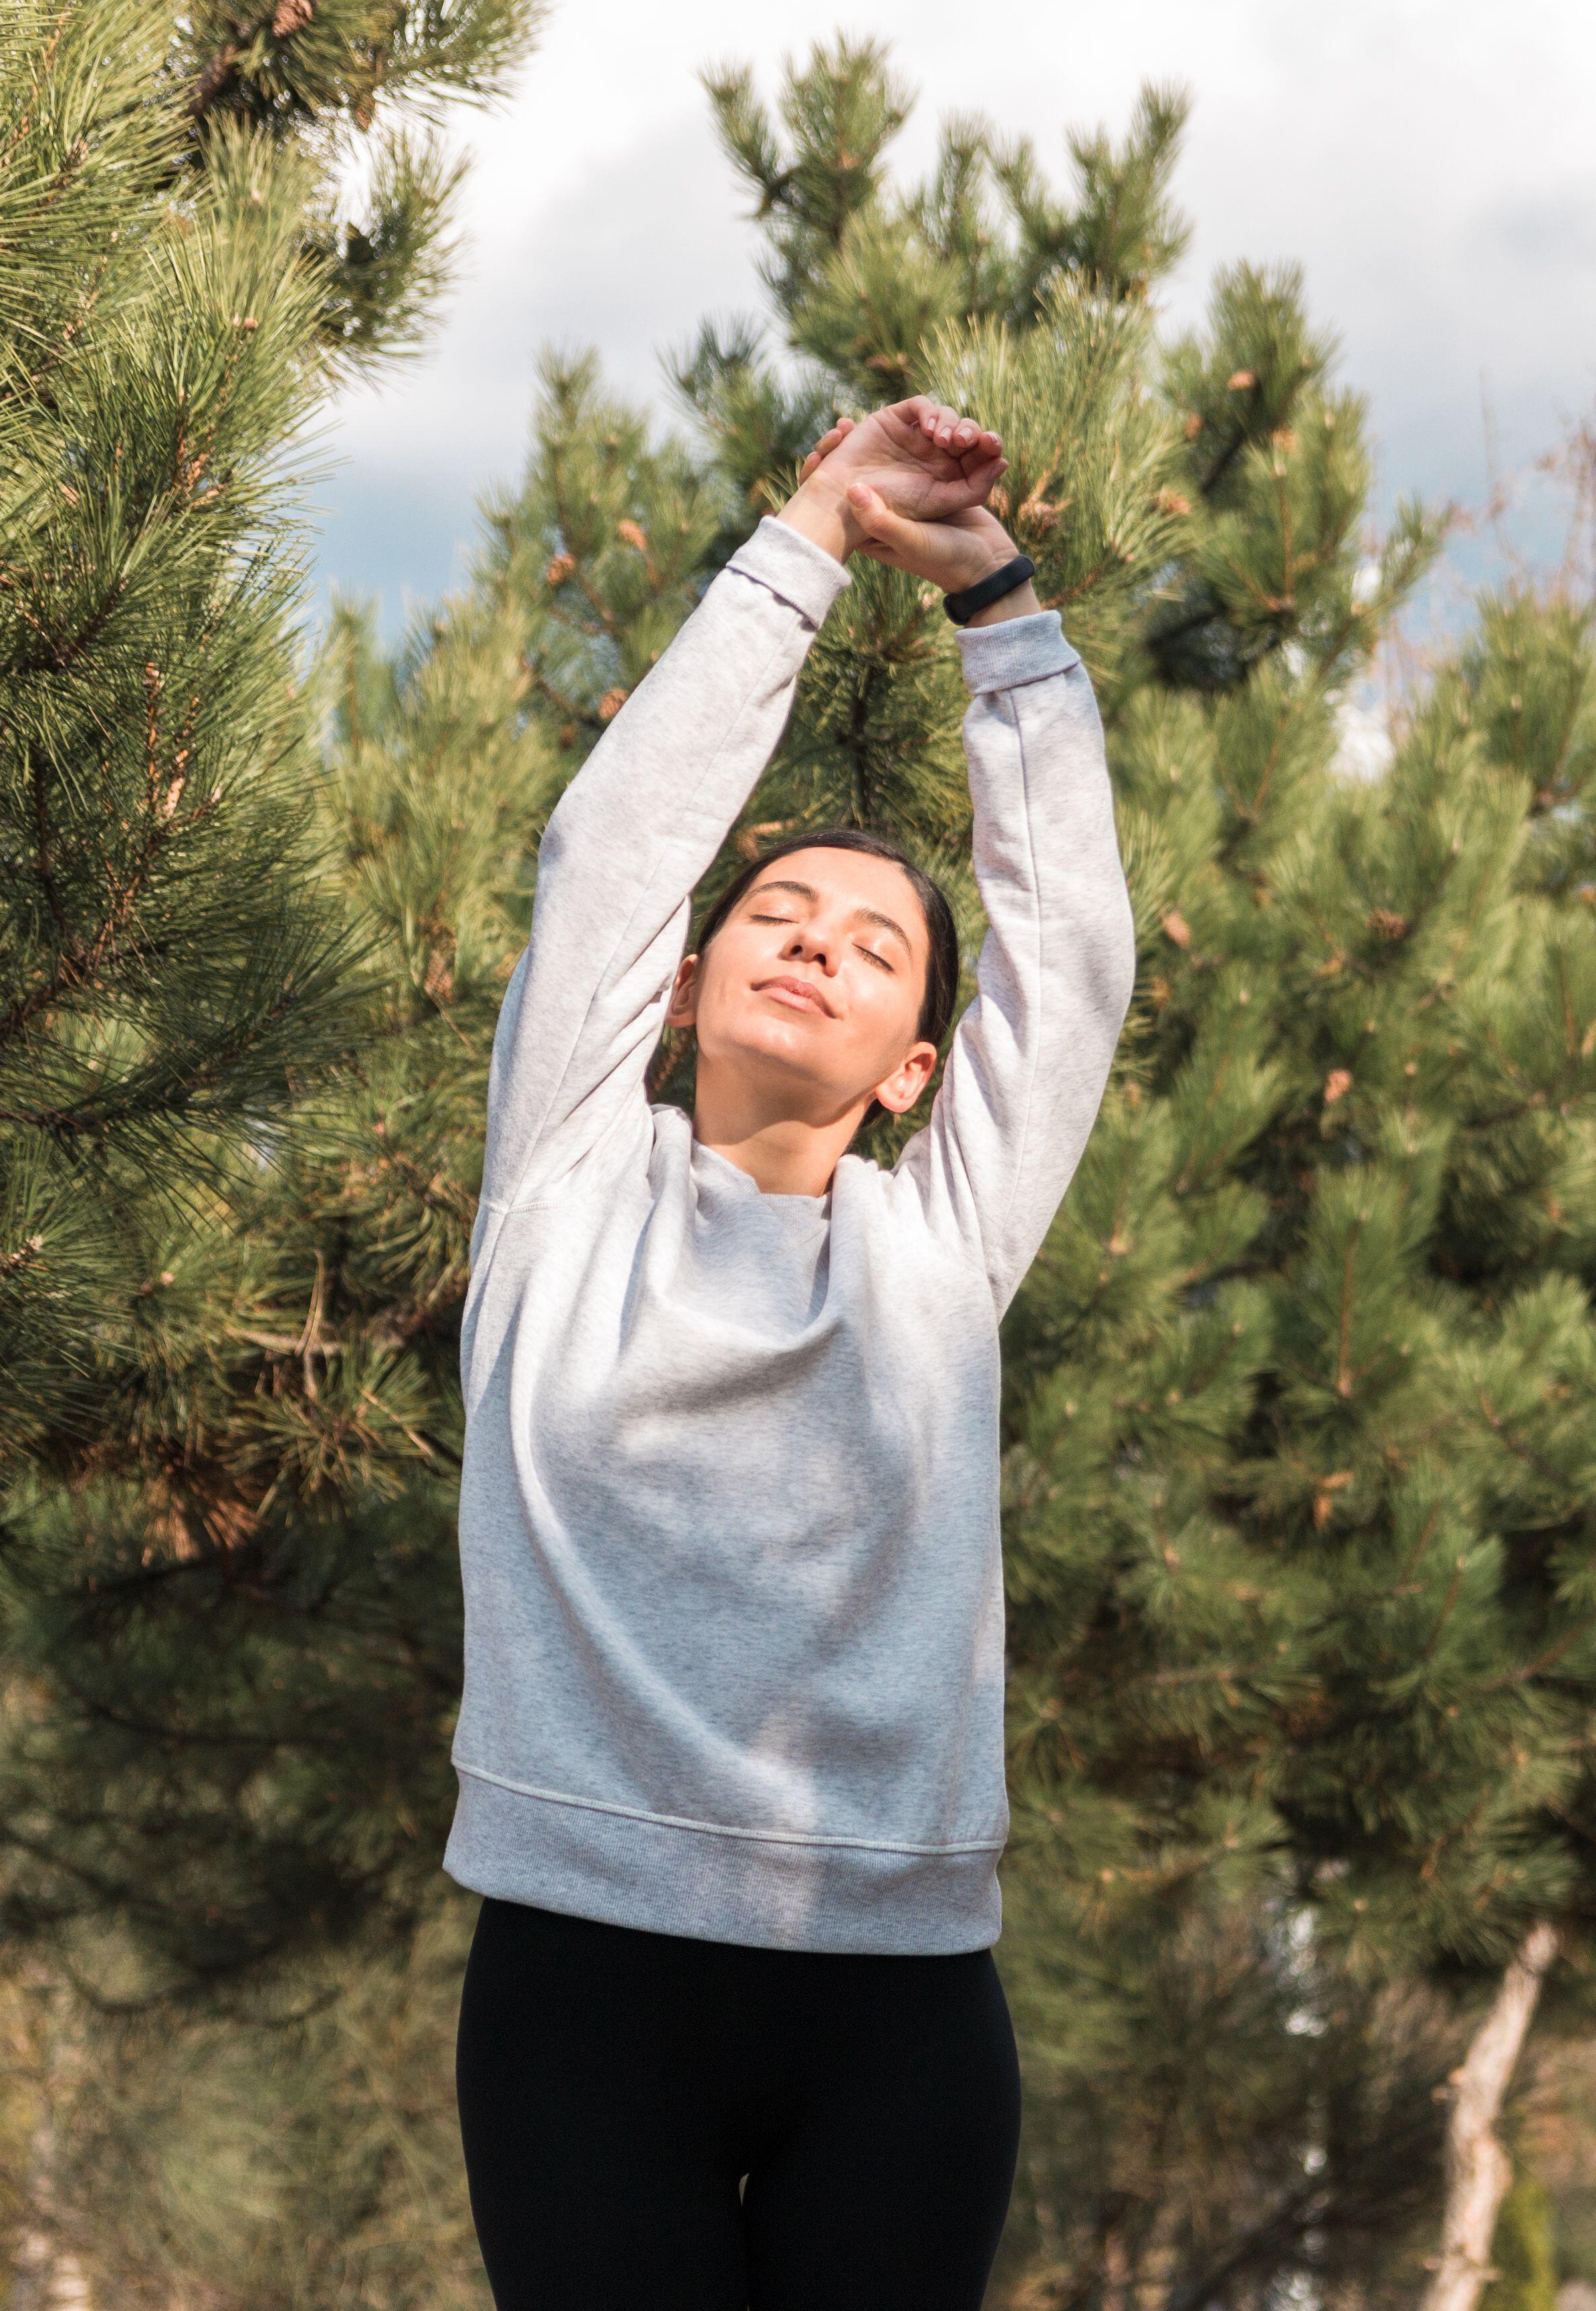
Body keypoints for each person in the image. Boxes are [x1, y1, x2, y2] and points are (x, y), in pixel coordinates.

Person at [445, 395, 1139, 2308]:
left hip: (900, 2008)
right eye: (776, 912)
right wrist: (815, 535)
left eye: (875, 945)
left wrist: (998, 605)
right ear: (684, 984)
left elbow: (1069, 954)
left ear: (921, 1062)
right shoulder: (566, 1191)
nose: (817, 944)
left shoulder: (937, 1244)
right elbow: (611, 851)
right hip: (586, 1978)